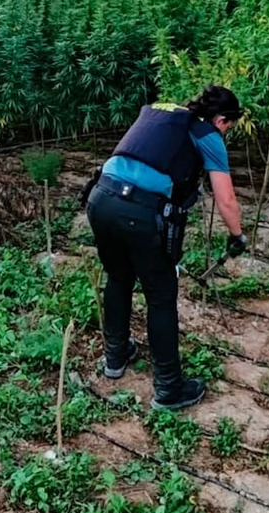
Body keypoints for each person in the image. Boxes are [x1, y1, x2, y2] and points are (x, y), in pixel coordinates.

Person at [85, 85, 248, 411]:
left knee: (118, 279)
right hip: (139, 213)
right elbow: (226, 199)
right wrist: (237, 236)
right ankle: (169, 389)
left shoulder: (162, 114)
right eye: (229, 126)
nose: (226, 132)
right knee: (161, 297)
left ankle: (115, 357)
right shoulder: (208, 136)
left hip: (100, 198)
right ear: (221, 120)